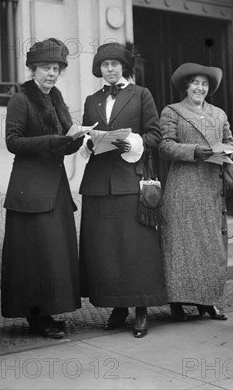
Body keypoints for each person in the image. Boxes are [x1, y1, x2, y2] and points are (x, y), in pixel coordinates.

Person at [78, 42, 166, 338]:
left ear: (125, 67)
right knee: (106, 249)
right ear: (99, 69)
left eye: (115, 64)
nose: (110, 69)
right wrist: (89, 143)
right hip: (99, 183)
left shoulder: (141, 95)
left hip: (130, 179)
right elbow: (85, 134)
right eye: (105, 65)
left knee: (135, 249)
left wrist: (135, 143)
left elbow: (155, 134)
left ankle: (141, 309)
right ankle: (117, 306)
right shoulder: (91, 100)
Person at [1, 38, 83, 339]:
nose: (52, 74)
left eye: (56, 69)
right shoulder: (20, 99)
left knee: (54, 254)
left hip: (55, 187)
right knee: (34, 256)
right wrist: (54, 141)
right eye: (46, 68)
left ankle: (49, 312)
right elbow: (13, 142)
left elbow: (64, 144)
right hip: (29, 189)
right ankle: (37, 317)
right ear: (33, 70)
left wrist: (78, 139)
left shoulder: (56, 98)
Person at [159, 63, 233, 322]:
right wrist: (193, 151)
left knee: (211, 245)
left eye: (204, 84)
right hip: (183, 185)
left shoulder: (219, 114)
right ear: (186, 86)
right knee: (179, 244)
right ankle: (177, 301)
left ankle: (208, 301)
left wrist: (226, 152)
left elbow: (231, 143)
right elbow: (165, 146)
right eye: (195, 83)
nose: (200, 88)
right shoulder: (172, 112)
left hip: (211, 186)